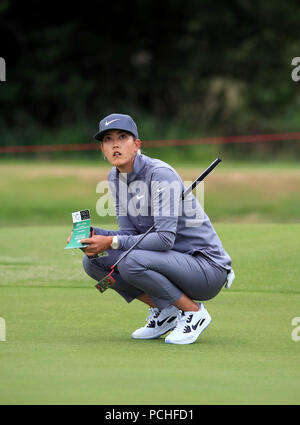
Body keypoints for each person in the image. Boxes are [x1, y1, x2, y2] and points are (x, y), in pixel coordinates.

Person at [68, 113, 234, 345]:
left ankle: (194, 313)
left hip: (205, 268)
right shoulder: (115, 178)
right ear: (102, 150)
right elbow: (129, 235)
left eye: (122, 137)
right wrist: (97, 235)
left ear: (136, 144)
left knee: (130, 261)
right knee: (93, 262)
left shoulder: (160, 174)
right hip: (169, 263)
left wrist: (110, 242)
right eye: (107, 139)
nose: (114, 144)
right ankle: (166, 311)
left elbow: (164, 240)